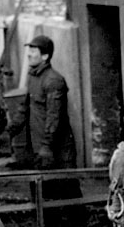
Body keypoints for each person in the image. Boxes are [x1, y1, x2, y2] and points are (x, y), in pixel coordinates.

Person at [7, 35, 77, 170]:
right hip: (38, 147)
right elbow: (24, 108)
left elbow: (54, 117)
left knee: (65, 188)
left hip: (57, 150)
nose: (29, 54)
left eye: (33, 51)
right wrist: (10, 131)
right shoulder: (33, 77)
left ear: (45, 56)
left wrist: (47, 146)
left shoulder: (54, 81)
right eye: (29, 50)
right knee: (40, 188)